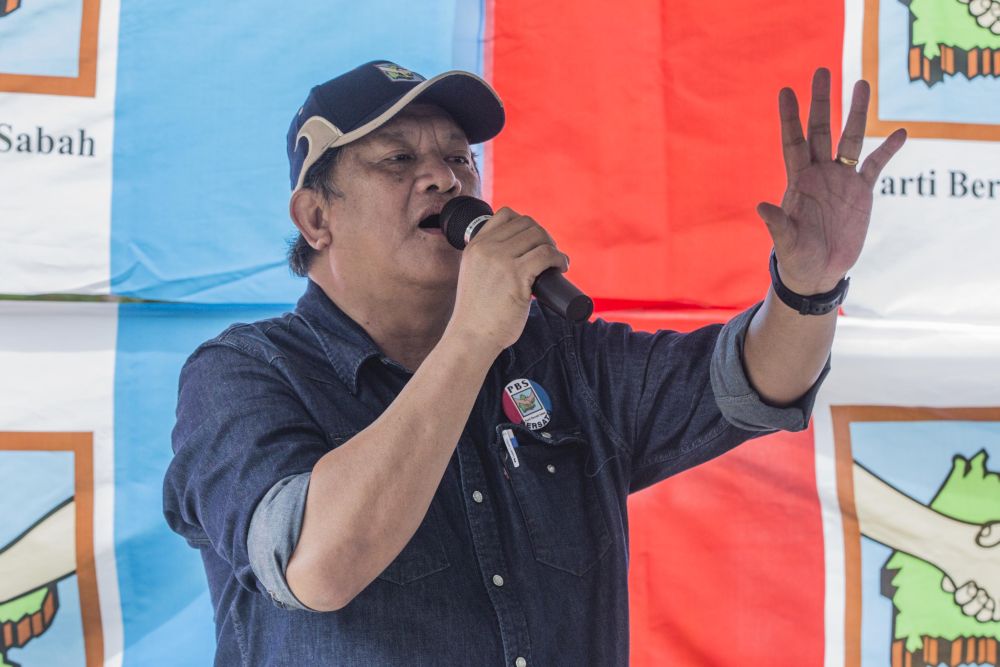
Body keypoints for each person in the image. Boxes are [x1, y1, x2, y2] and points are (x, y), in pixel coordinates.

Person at [163, 60, 906, 665]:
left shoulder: (553, 353)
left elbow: (750, 383)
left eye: (458, 158)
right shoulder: (242, 374)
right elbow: (318, 565)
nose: (444, 179)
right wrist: (472, 338)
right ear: (316, 217)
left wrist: (808, 287)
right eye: (398, 159)